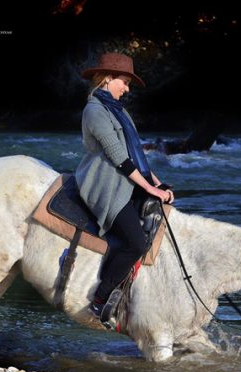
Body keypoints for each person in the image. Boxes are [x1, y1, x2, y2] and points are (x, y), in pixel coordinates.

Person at [75, 52, 174, 320]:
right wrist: (151, 190)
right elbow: (118, 156)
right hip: (105, 186)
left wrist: (157, 182)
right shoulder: (94, 110)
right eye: (124, 82)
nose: (127, 88)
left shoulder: (119, 111)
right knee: (136, 243)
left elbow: (135, 155)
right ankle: (100, 298)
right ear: (108, 79)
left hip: (126, 179)